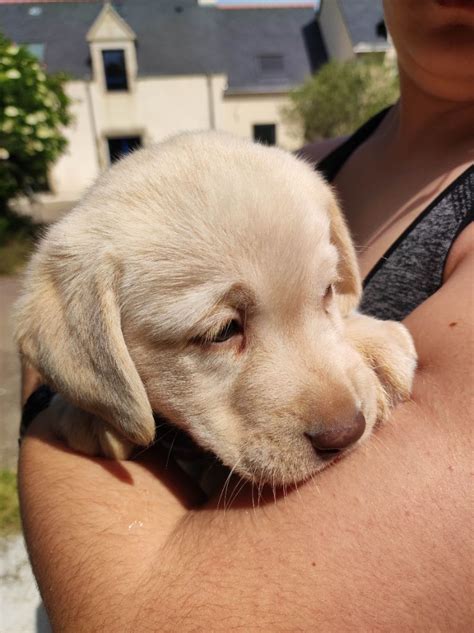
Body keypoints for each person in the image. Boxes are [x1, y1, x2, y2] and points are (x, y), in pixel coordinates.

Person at [18, 1, 473, 630]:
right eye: (222, 330)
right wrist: (81, 395)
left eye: (323, 294)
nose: (339, 415)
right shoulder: (306, 168)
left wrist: (46, 410)